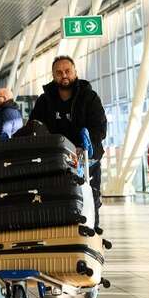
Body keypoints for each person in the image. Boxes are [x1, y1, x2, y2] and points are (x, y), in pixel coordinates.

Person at [29, 55, 107, 228]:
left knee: (89, 195)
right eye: (59, 72)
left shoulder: (89, 97)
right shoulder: (44, 101)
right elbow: (34, 126)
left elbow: (100, 128)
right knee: (58, 197)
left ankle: (92, 231)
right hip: (56, 160)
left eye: (67, 71)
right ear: (53, 75)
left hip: (87, 157)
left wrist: (85, 146)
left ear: (75, 72)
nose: (64, 75)